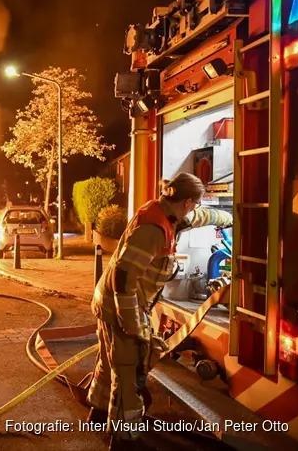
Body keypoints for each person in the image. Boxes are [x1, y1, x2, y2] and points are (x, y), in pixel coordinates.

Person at [85, 172, 232, 450]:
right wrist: (135, 326)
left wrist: (227, 217)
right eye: (196, 204)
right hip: (120, 305)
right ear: (188, 201)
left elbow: (200, 218)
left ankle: (98, 412)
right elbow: (123, 279)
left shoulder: (166, 212)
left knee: (110, 361)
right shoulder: (153, 230)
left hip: (109, 302)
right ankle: (125, 439)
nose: (196, 210)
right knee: (128, 372)